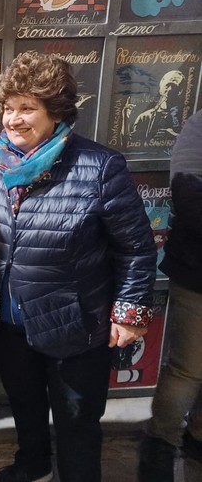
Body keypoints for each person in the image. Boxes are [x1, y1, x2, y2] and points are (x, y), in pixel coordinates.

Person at [0, 51, 157, 482]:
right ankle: (33, 463)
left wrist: (130, 314)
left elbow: (136, 247)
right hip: (7, 320)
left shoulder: (98, 166)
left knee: (77, 420)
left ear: (55, 111)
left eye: (27, 108)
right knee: (23, 404)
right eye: (8, 107)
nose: (13, 119)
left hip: (75, 325)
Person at [138, 109, 202, 482]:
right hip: (198, 274)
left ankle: (197, 436)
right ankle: (160, 443)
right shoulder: (199, 127)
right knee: (187, 369)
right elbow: (190, 200)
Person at [128, 70, 185, 146]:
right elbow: (131, 141)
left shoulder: (184, 115)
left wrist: (173, 135)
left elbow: (194, 139)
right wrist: (125, 117)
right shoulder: (145, 116)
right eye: (167, 85)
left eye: (174, 87)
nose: (170, 89)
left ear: (179, 91)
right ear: (161, 87)